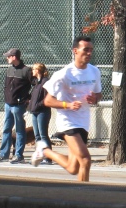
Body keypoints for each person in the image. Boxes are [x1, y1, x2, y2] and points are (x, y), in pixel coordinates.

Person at [40, 36, 102, 181]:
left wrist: (95, 98)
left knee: (73, 167)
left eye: (91, 50)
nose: (89, 53)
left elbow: (98, 94)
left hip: (84, 121)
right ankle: (82, 199)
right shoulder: (63, 74)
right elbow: (48, 101)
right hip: (67, 121)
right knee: (85, 160)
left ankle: (46, 152)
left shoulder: (94, 71)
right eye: (85, 50)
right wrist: (68, 105)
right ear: (75, 51)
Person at [0, 48, 34, 164]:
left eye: (8, 56)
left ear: (14, 57)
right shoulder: (9, 70)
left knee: (20, 130)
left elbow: (36, 85)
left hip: (19, 106)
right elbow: (6, 86)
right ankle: (3, 154)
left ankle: (18, 155)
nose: (7, 58)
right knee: (6, 129)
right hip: (8, 104)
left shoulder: (26, 71)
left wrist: (28, 98)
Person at [29, 63, 53, 167]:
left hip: (43, 111)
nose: (32, 71)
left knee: (43, 135)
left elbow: (46, 99)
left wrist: (38, 105)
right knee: (37, 135)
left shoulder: (45, 82)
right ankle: (40, 155)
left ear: (38, 70)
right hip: (34, 112)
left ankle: (48, 157)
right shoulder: (36, 83)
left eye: (34, 69)